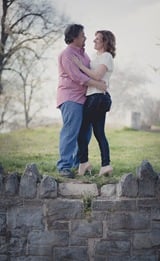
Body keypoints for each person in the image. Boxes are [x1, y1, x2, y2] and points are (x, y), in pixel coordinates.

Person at [56, 24, 107, 178]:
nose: (86, 37)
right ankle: (64, 166)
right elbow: (77, 77)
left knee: (85, 134)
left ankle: (80, 164)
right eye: (82, 35)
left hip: (85, 98)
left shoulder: (84, 55)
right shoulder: (67, 54)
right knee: (71, 132)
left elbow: (92, 72)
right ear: (74, 37)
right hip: (71, 98)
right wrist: (98, 84)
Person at [73, 30, 116, 176]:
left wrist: (80, 66)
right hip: (95, 97)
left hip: (96, 98)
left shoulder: (107, 56)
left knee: (81, 131)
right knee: (98, 133)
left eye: (98, 39)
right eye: (95, 38)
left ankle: (84, 163)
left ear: (105, 42)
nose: (94, 41)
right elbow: (94, 78)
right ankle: (105, 165)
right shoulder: (96, 57)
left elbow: (97, 75)